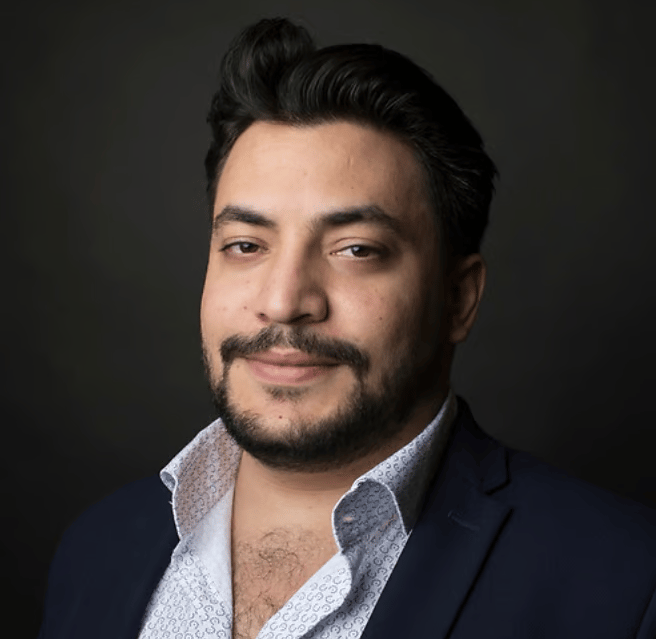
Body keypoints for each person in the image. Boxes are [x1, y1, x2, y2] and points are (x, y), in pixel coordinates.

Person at [38, 17, 656, 639]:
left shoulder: (625, 586)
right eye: (246, 245)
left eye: (356, 250)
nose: (283, 302)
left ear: (458, 299)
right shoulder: (96, 548)